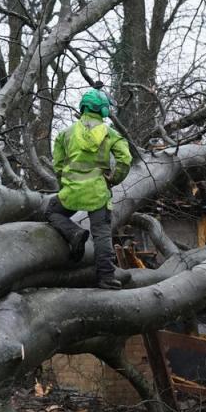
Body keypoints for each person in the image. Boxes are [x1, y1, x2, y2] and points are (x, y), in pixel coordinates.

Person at [46, 88, 132, 289]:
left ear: (83, 107)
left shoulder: (65, 134)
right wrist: (113, 179)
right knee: (101, 233)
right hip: (98, 192)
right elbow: (125, 159)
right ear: (103, 109)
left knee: (52, 211)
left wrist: (65, 184)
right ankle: (107, 277)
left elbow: (57, 164)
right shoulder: (111, 134)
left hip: (72, 191)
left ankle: (74, 233)